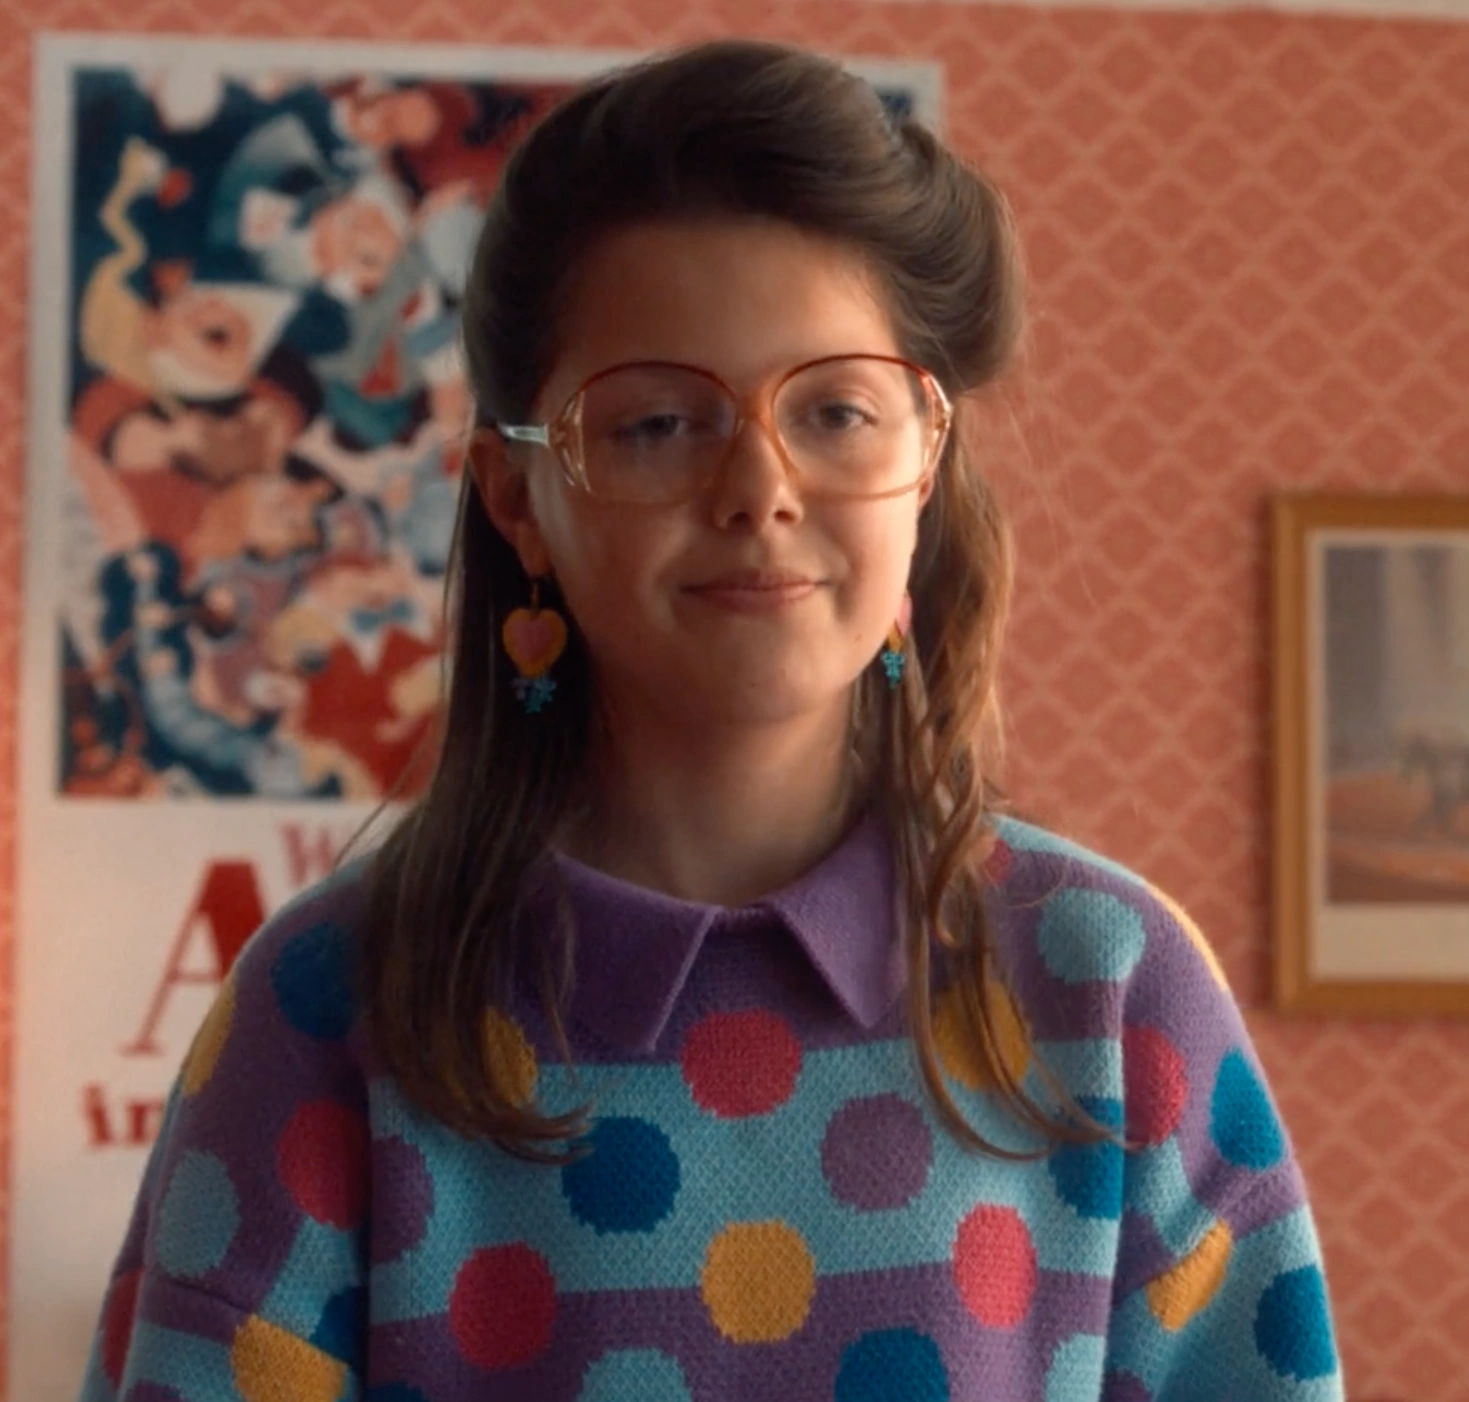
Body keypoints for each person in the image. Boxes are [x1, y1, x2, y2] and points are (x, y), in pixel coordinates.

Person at [78, 39, 1344, 1402]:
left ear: (926, 460)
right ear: (515, 499)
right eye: (659, 425)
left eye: (838, 410)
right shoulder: (330, 1008)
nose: (759, 488)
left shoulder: (1111, 988)